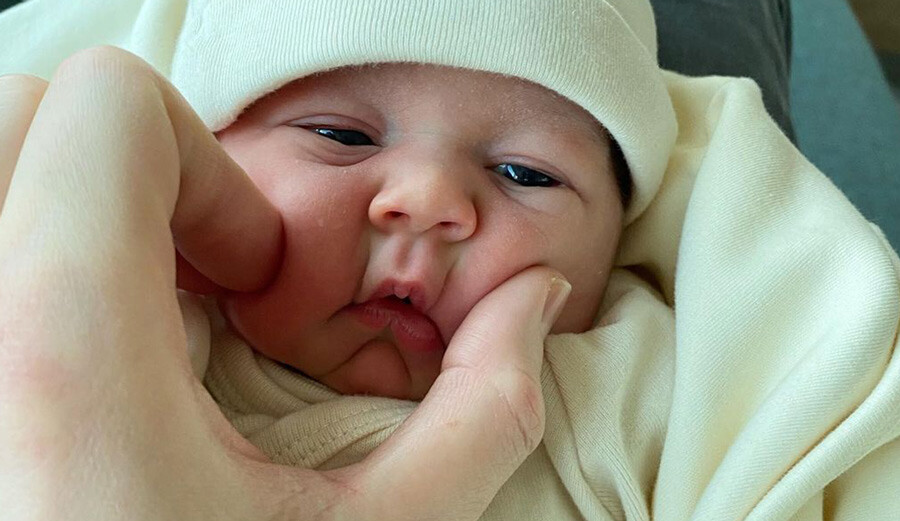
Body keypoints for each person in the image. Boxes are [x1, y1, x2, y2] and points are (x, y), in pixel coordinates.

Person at [2, 1, 900, 520]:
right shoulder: (120, 331)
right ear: (200, 160)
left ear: (615, 246)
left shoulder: (635, 386)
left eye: (524, 172)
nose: (428, 201)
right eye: (339, 133)